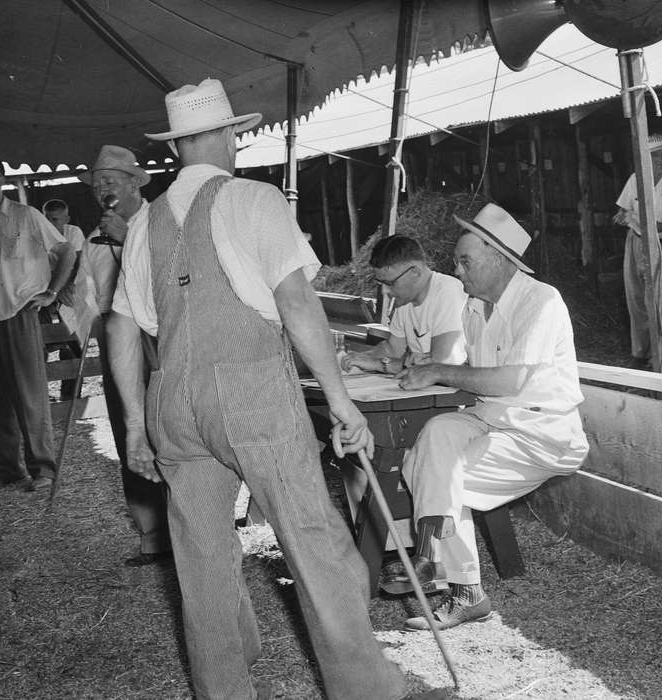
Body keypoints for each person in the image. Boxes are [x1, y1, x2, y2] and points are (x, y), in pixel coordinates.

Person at [108, 79, 437, 700]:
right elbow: (296, 303)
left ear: (179, 145)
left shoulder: (144, 220)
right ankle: (368, 690)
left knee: (201, 557)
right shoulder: (254, 199)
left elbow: (121, 326)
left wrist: (132, 424)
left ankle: (226, 687)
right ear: (228, 135)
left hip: (170, 401)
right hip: (250, 391)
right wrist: (341, 402)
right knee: (314, 541)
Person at [389, 202, 590, 631]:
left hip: (540, 429)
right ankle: (431, 560)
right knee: (435, 438)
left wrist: (440, 370)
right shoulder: (473, 307)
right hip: (492, 418)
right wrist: (420, 370)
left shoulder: (542, 301)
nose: (457, 272)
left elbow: (510, 381)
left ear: (500, 259)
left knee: (442, 475)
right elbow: (471, 376)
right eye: (456, 262)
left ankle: (455, 583)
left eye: (466, 262)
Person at [0, 154, 76, 493]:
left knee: (30, 396)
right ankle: (8, 471)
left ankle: (43, 470)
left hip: (20, 316)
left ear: (0, 178)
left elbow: (66, 252)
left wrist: (52, 292)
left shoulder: (27, 216)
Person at [77, 145, 172, 567]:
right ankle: (152, 532)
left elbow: (173, 272)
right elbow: (90, 295)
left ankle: (191, 524)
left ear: (135, 183)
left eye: (111, 181)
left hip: (163, 337)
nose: (102, 190)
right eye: (97, 184)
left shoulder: (163, 221)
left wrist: (128, 237)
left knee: (173, 426)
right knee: (128, 428)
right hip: (120, 343)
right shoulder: (93, 240)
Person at [614, 133, 662, 367]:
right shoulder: (636, 177)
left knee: (660, 296)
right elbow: (622, 208)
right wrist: (622, 217)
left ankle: (661, 354)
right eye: (656, 155)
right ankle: (640, 352)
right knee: (636, 297)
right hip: (636, 241)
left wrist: (660, 225)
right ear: (646, 158)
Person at [340, 235, 467, 374]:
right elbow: (393, 349)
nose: (384, 291)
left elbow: (441, 364)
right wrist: (357, 358)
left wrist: (380, 364)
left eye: (390, 283)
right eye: (381, 284)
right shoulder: (405, 299)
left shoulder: (448, 292)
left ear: (415, 272)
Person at [42, 198, 87, 399]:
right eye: (47, 218)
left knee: (73, 344)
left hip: (68, 288)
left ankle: (71, 396)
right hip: (45, 289)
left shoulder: (73, 233)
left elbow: (77, 263)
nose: (51, 224)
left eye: (55, 219)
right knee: (40, 342)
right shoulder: (38, 234)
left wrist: (64, 288)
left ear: (66, 219)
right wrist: (54, 290)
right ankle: (40, 396)